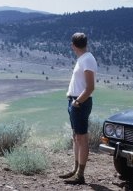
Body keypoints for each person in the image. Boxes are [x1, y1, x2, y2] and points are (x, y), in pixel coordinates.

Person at [59, 32, 97, 185]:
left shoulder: (87, 59)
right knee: (76, 137)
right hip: (75, 101)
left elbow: (90, 87)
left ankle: (80, 175)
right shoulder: (83, 59)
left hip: (80, 102)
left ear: (73, 45)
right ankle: (75, 170)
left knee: (82, 138)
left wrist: (77, 102)